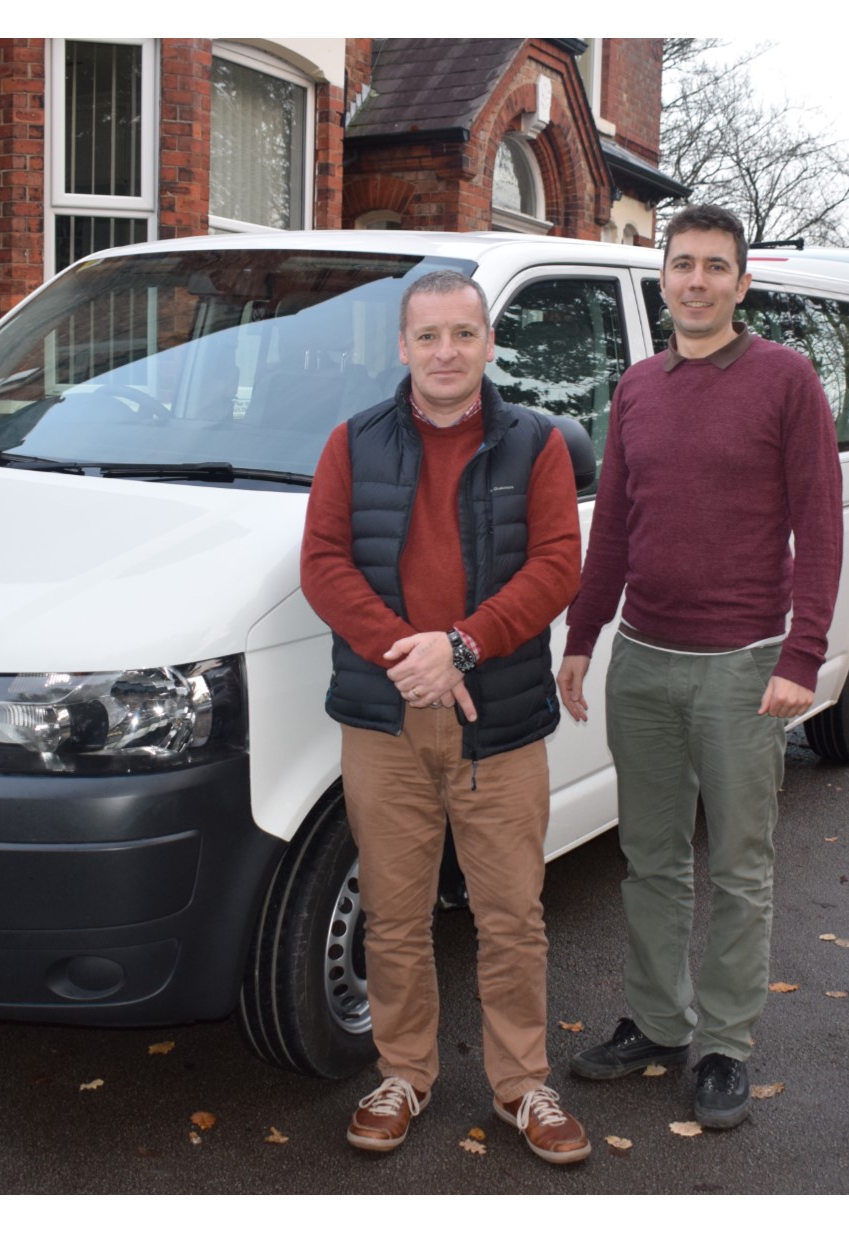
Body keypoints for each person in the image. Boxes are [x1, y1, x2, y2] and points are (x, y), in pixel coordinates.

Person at [558, 203, 844, 1129]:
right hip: (642, 659)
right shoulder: (638, 386)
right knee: (649, 860)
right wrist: (581, 636)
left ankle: (724, 1045)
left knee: (739, 867)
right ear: (662, 275)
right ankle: (656, 1021)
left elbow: (822, 525)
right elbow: (616, 532)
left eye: (715, 267)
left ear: (742, 282)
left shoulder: (785, 379)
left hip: (741, 665)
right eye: (682, 265)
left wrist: (803, 654)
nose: (696, 281)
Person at [299, 268, 589, 1164]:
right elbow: (323, 565)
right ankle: (404, 1074)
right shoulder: (352, 443)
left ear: (488, 344)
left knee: (511, 915)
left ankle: (522, 1087)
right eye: (428, 337)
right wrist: (409, 657)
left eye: (463, 335)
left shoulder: (537, 443)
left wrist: (459, 647)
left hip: (497, 725)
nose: (446, 353)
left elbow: (555, 568)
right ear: (402, 347)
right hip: (384, 725)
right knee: (393, 915)